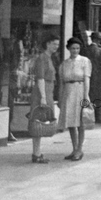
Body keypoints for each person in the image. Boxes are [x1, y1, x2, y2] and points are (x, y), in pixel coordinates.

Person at [58, 37, 92, 162]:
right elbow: (61, 83)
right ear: (68, 49)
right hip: (68, 92)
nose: (75, 51)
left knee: (81, 122)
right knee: (71, 122)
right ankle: (74, 148)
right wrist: (60, 98)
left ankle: (80, 149)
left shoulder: (85, 61)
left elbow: (87, 79)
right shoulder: (64, 64)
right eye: (73, 48)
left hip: (80, 90)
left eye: (77, 48)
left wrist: (86, 96)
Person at [29, 34, 60, 163]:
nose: (56, 46)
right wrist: (43, 97)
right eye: (54, 44)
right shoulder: (42, 58)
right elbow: (40, 77)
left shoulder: (50, 58)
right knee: (38, 122)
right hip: (43, 91)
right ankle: (36, 153)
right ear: (47, 44)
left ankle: (37, 153)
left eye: (57, 44)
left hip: (48, 91)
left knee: (40, 123)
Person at [84, 31, 101, 122]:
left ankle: (88, 116)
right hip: (98, 77)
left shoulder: (85, 49)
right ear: (98, 40)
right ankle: (100, 117)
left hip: (88, 76)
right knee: (100, 97)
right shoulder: (100, 51)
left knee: (89, 95)